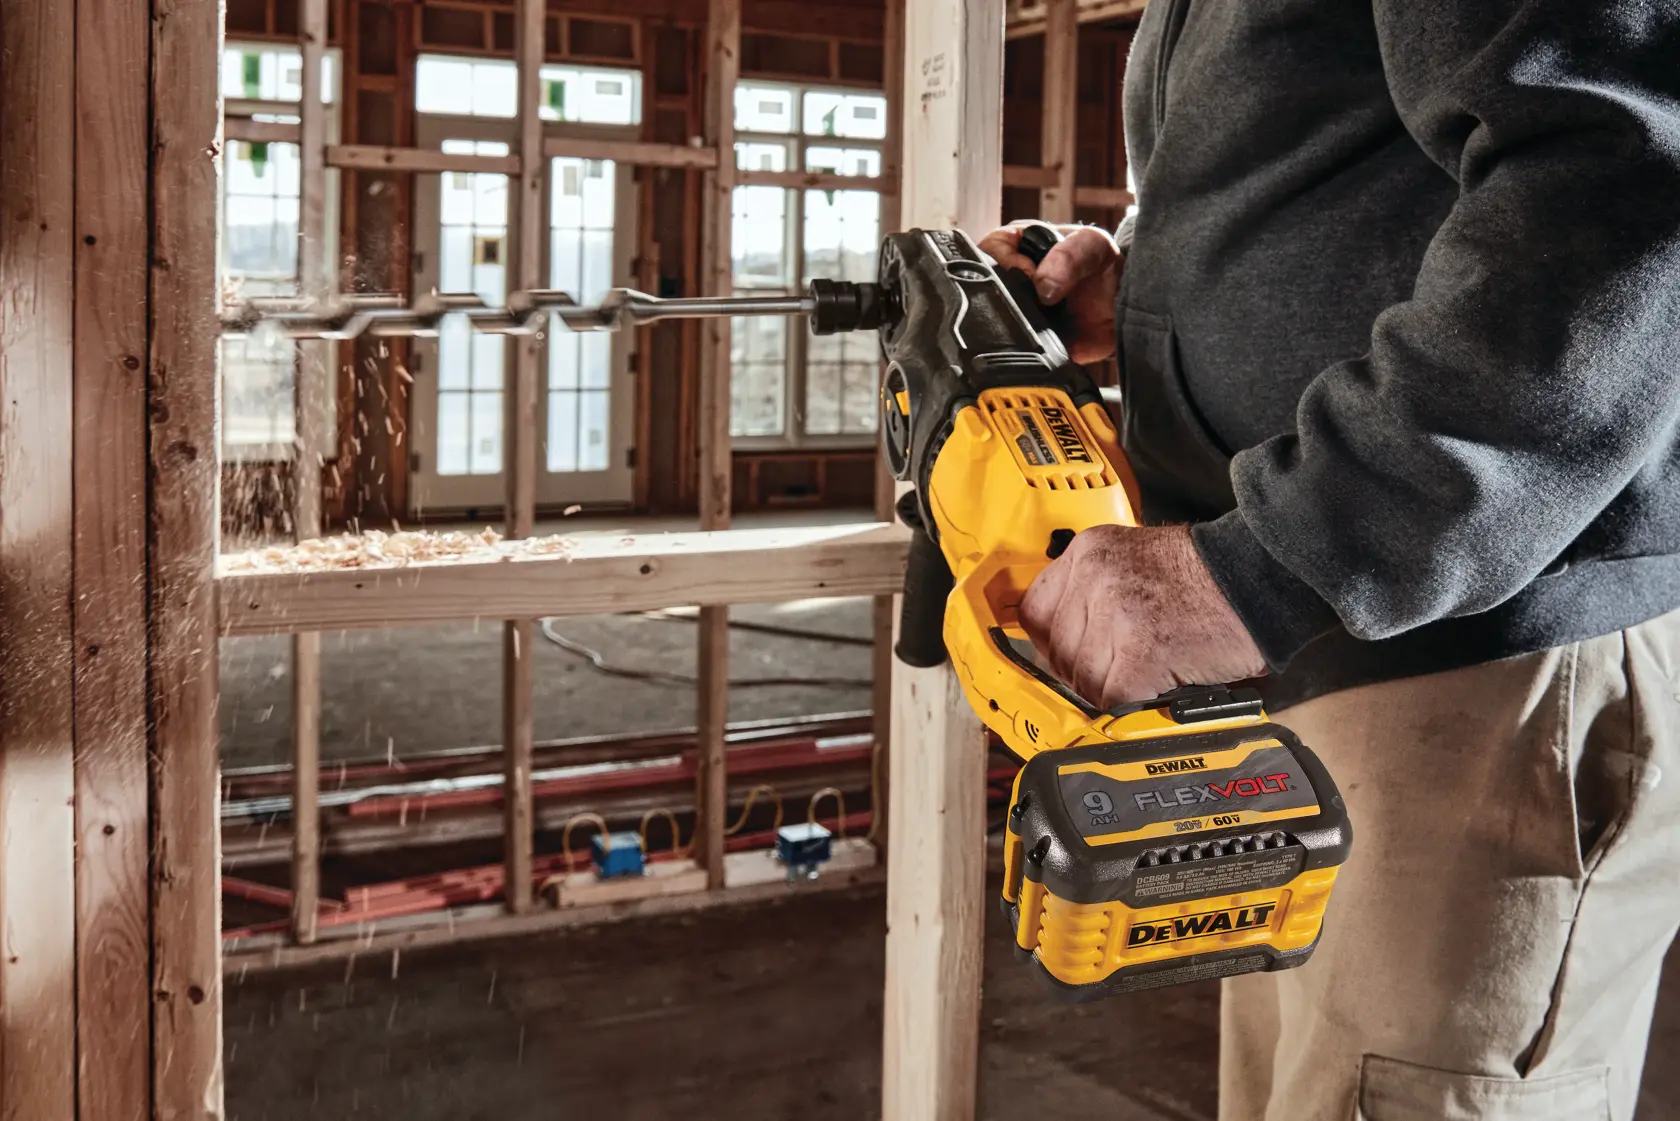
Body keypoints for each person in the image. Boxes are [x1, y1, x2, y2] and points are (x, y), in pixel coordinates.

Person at [980, 3, 1680, 1119]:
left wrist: (1279, 556)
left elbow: (1624, 178)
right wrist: (1160, 296)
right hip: (1319, 639)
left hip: (1474, 658)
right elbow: (1350, 171)